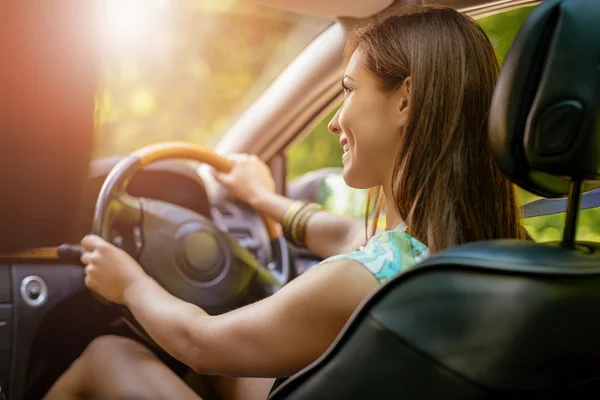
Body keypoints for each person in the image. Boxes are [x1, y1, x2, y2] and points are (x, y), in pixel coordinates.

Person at [45, 5, 527, 400]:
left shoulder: (358, 281)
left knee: (109, 355)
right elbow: (344, 234)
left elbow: (200, 344)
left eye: (349, 91)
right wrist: (263, 199)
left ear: (405, 101)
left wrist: (128, 282)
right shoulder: (492, 253)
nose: (335, 123)